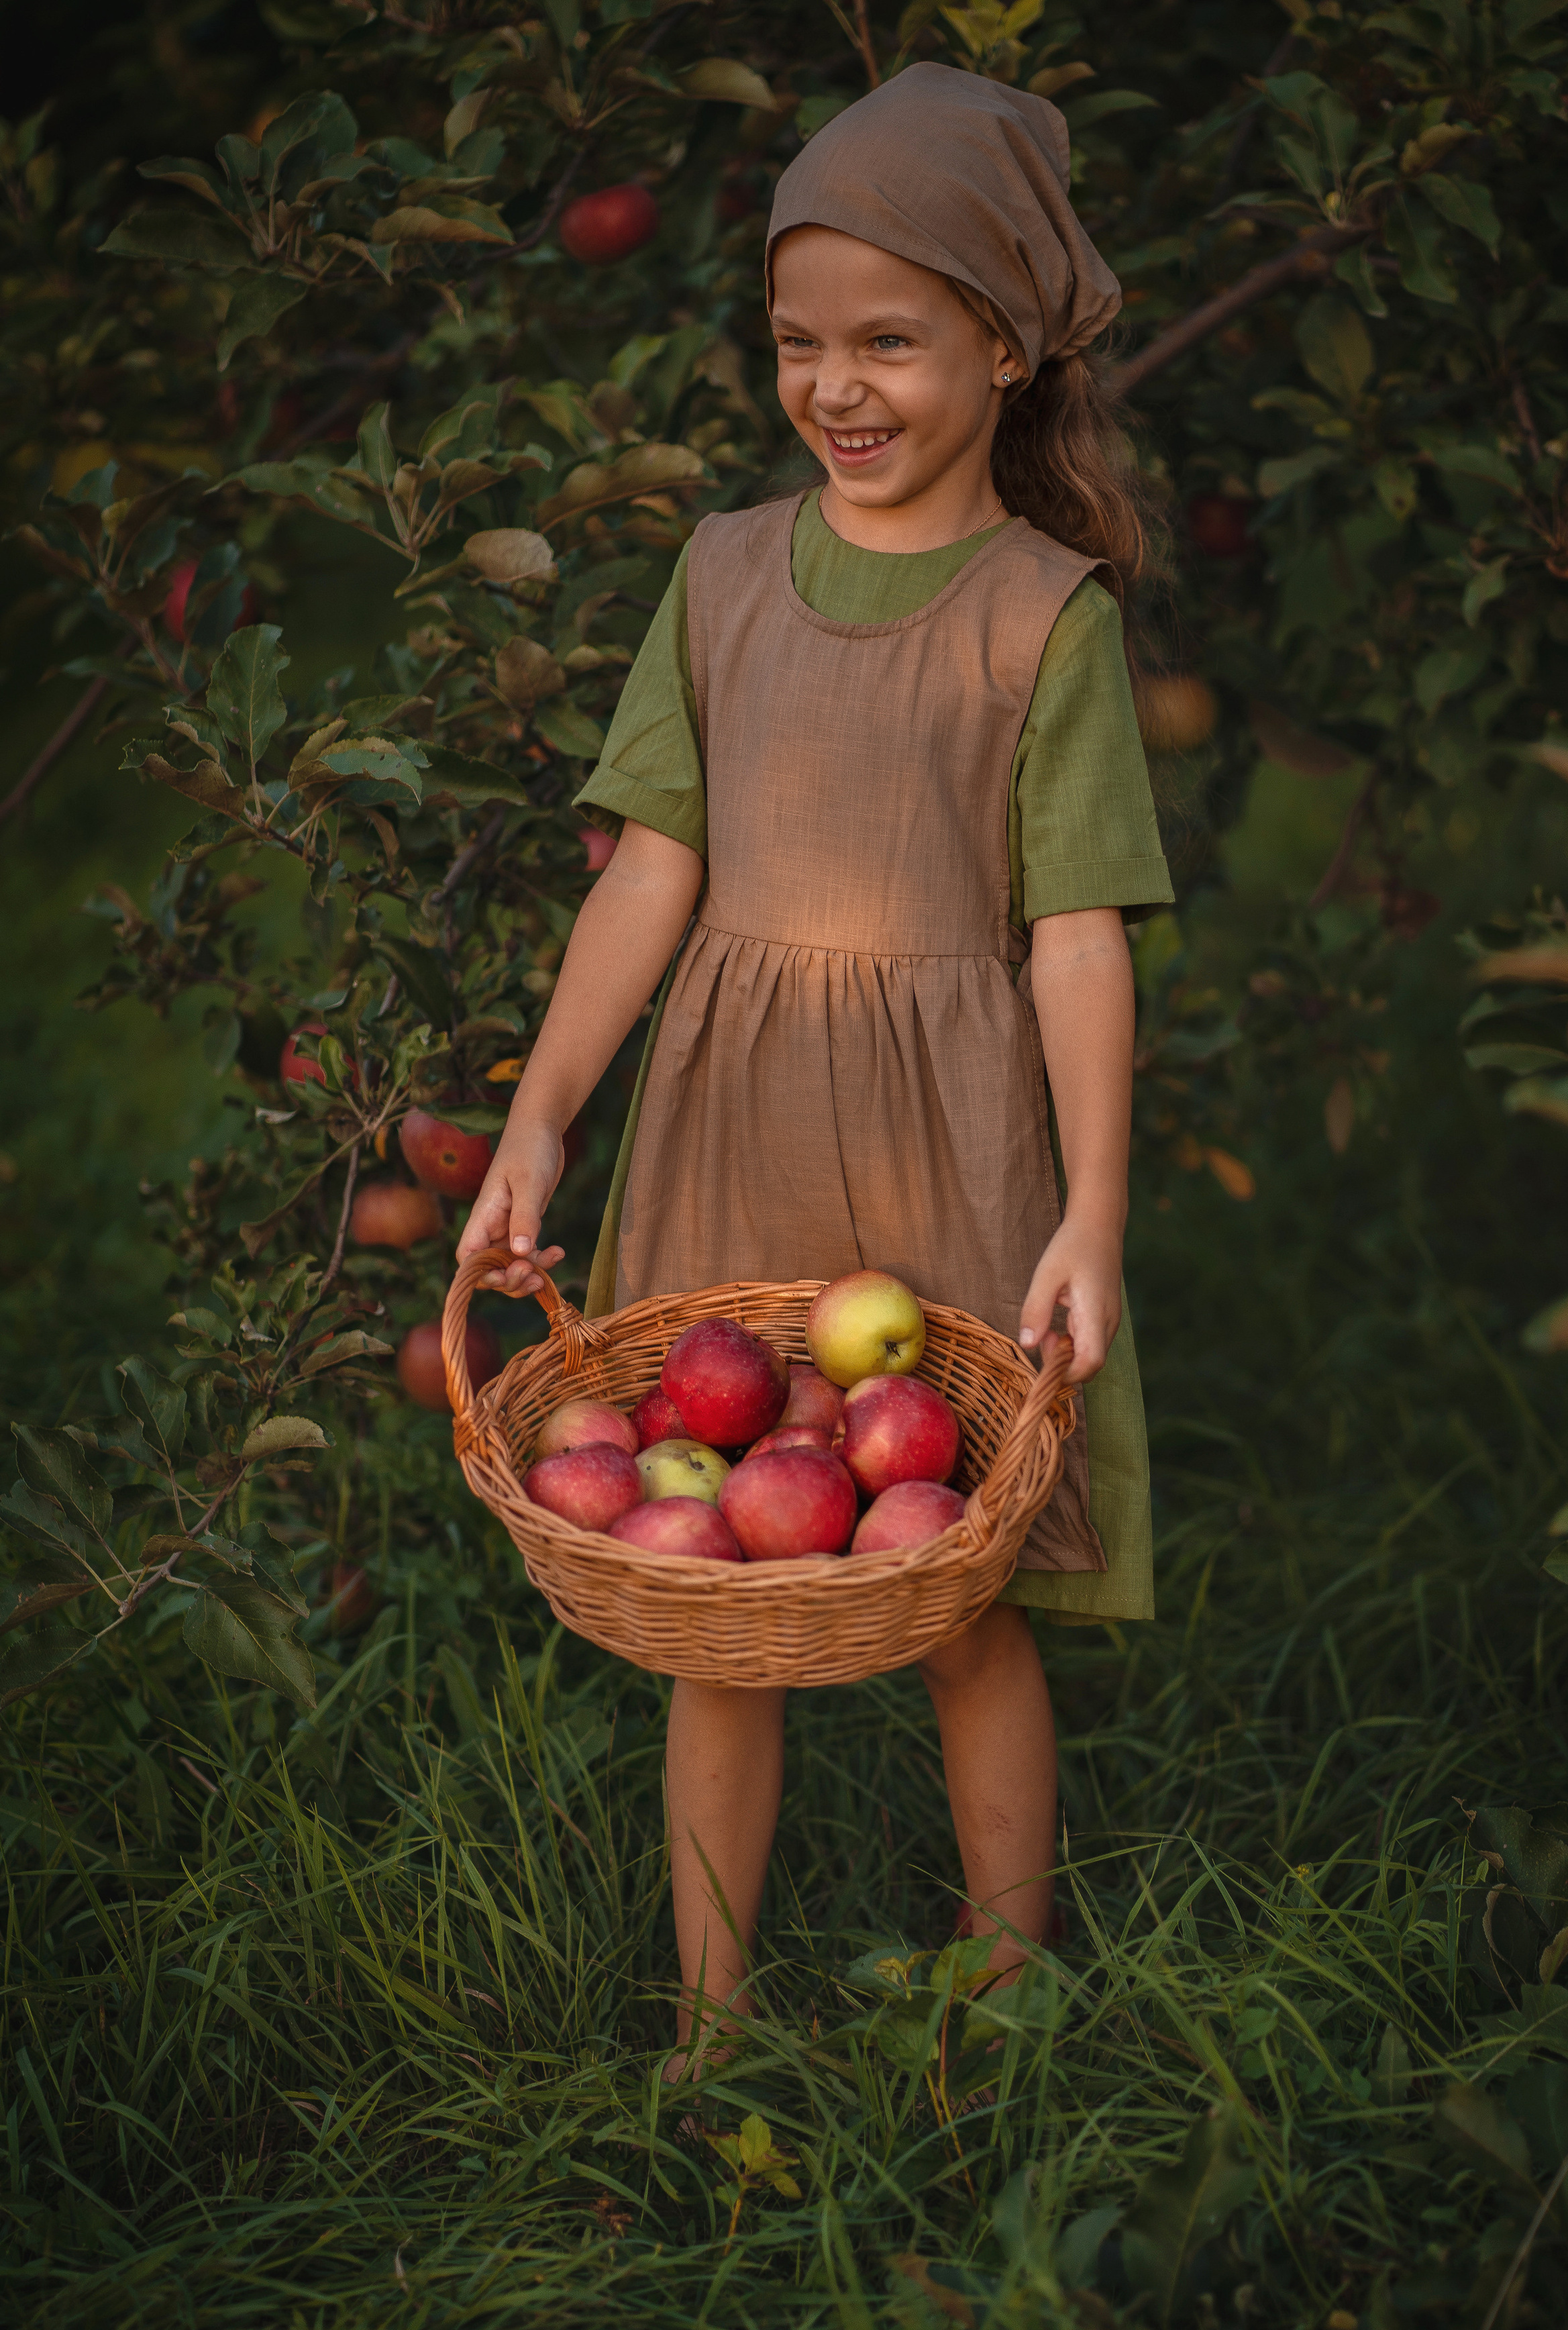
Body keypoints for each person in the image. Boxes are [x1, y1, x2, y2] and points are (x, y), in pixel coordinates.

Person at [456, 64, 1172, 2082]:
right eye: (797, 343)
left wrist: (1090, 1216)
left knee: (954, 1598)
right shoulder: (722, 576)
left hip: (949, 1156)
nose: (835, 388)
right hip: (736, 1138)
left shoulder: (1045, 622)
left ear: (1005, 347)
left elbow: (1075, 937)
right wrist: (542, 1113)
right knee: (716, 1624)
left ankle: (1011, 2000)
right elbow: (656, 870)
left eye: (888, 342)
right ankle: (710, 2026)